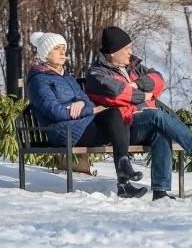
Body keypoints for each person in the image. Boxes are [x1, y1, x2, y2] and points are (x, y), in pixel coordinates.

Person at [84, 26, 192, 201]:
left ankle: (160, 191)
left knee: (160, 133)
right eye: (127, 48)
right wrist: (144, 95)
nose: (131, 52)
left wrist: (136, 85)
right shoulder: (97, 73)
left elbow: (158, 80)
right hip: (123, 127)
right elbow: (117, 94)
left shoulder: (134, 67)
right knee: (155, 115)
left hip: (143, 124)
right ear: (113, 52)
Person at [26, 32, 147, 199]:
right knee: (118, 123)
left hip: (80, 125)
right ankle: (124, 178)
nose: (62, 53)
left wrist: (81, 104)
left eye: (64, 49)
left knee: (114, 113)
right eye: (57, 49)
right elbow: (56, 112)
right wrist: (88, 110)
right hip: (64, 132)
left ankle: (124, 170)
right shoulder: (39, 81)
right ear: (45, 53)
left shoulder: (66, 76)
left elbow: (87, 102)